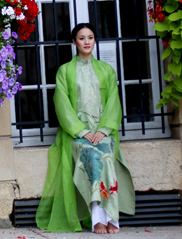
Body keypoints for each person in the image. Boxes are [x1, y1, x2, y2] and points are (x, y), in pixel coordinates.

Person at [36, 23, 135, 234]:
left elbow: (113, 103)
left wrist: (105, 130)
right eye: (81, 38)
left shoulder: (107, 70)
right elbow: (61, 104)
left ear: (95, 40)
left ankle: (112, 219)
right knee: (93, 159)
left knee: (107, 158)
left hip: (103, 133)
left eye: (90, 37)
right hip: (78, 135)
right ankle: (98, 219)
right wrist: (82, 131)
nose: (87, 41)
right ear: (74, 42)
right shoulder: (65, 71)